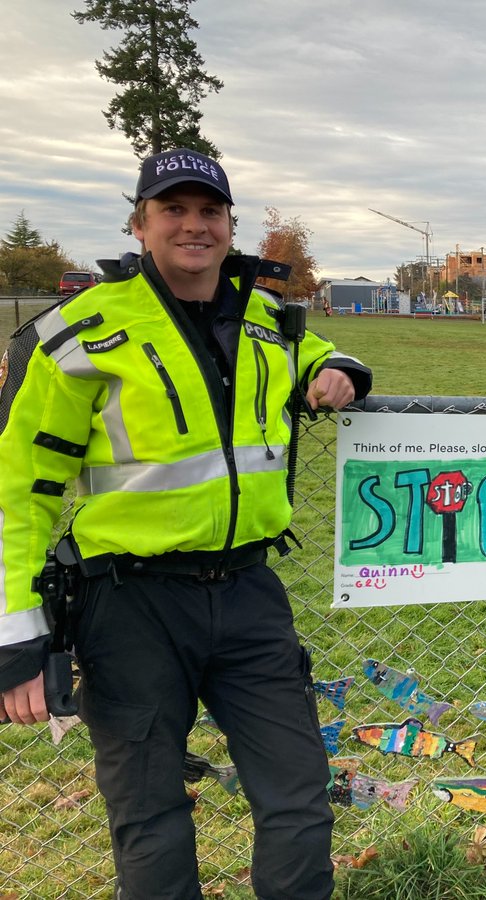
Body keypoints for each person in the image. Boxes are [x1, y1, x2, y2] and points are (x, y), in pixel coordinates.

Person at [0, 148, 372, 900]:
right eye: (174, 209)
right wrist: (14, 630)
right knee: (150, 813)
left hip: (247, 595)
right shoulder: (77, 334)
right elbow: (17, 492)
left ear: (232, 227)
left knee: (299, 799)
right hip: (128, 602)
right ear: (140, 224)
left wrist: (342, 371)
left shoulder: (268, 319)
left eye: (210, 211)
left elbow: (322, 354)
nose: (194, 226)